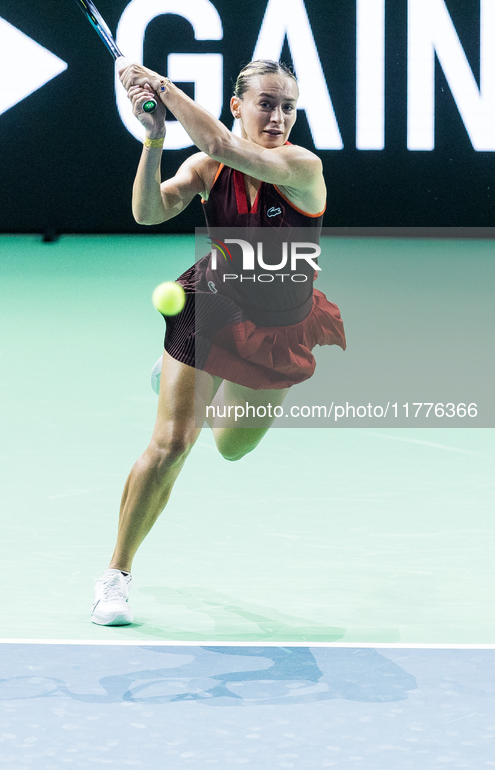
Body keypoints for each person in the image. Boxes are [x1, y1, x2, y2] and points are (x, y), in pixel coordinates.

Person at [91, 59, 345, 626]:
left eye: (288, 107)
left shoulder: (301, 167)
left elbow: (222, 143)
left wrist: (160, 86)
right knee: (172, 442)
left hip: (278, 328)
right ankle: (115, 576)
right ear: (238, 105)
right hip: (210, 304)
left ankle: (185, 380)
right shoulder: (208, 168)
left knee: (231, 446)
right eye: (266, 103)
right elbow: (148, 211)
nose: (278, 116)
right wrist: (153, 140)